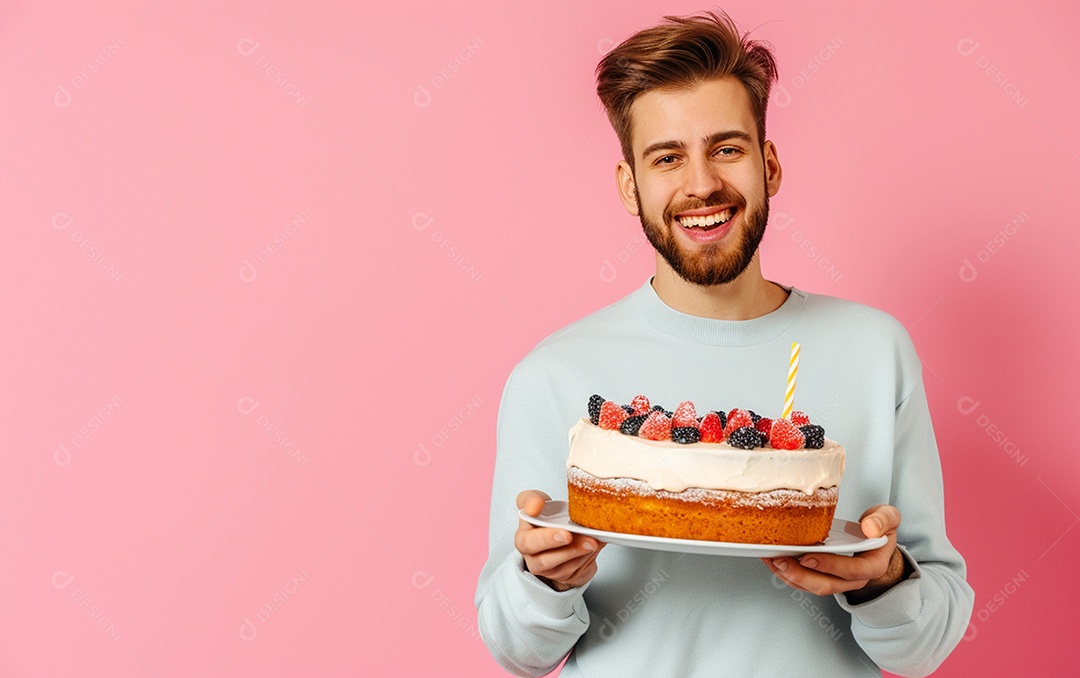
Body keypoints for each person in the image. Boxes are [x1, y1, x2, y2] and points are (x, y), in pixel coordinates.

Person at [474, 10, 973, 677]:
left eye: (727, 148)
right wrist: (545, 580)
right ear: (631, 185)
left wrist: (880, 581)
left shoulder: (875, 351)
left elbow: (926, 647)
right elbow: (516, 651)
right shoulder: (555, 374)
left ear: (769, 164)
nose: (702, 183)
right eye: (668, 157)